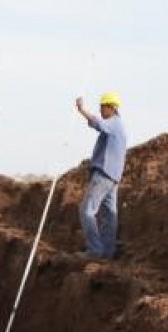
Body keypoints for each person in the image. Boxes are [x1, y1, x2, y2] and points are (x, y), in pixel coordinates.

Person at [74, 91, 127, 259]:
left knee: (87, 210)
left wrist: (82, 110)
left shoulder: (114, 123)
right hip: (113, 177)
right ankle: (108, 251)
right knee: (109, 215)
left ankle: (95, 250)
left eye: (102, 107)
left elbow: (99, 124)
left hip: (104, 173)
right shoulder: (118, 126)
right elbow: (97, 125)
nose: (101, 110)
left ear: (111, 107)